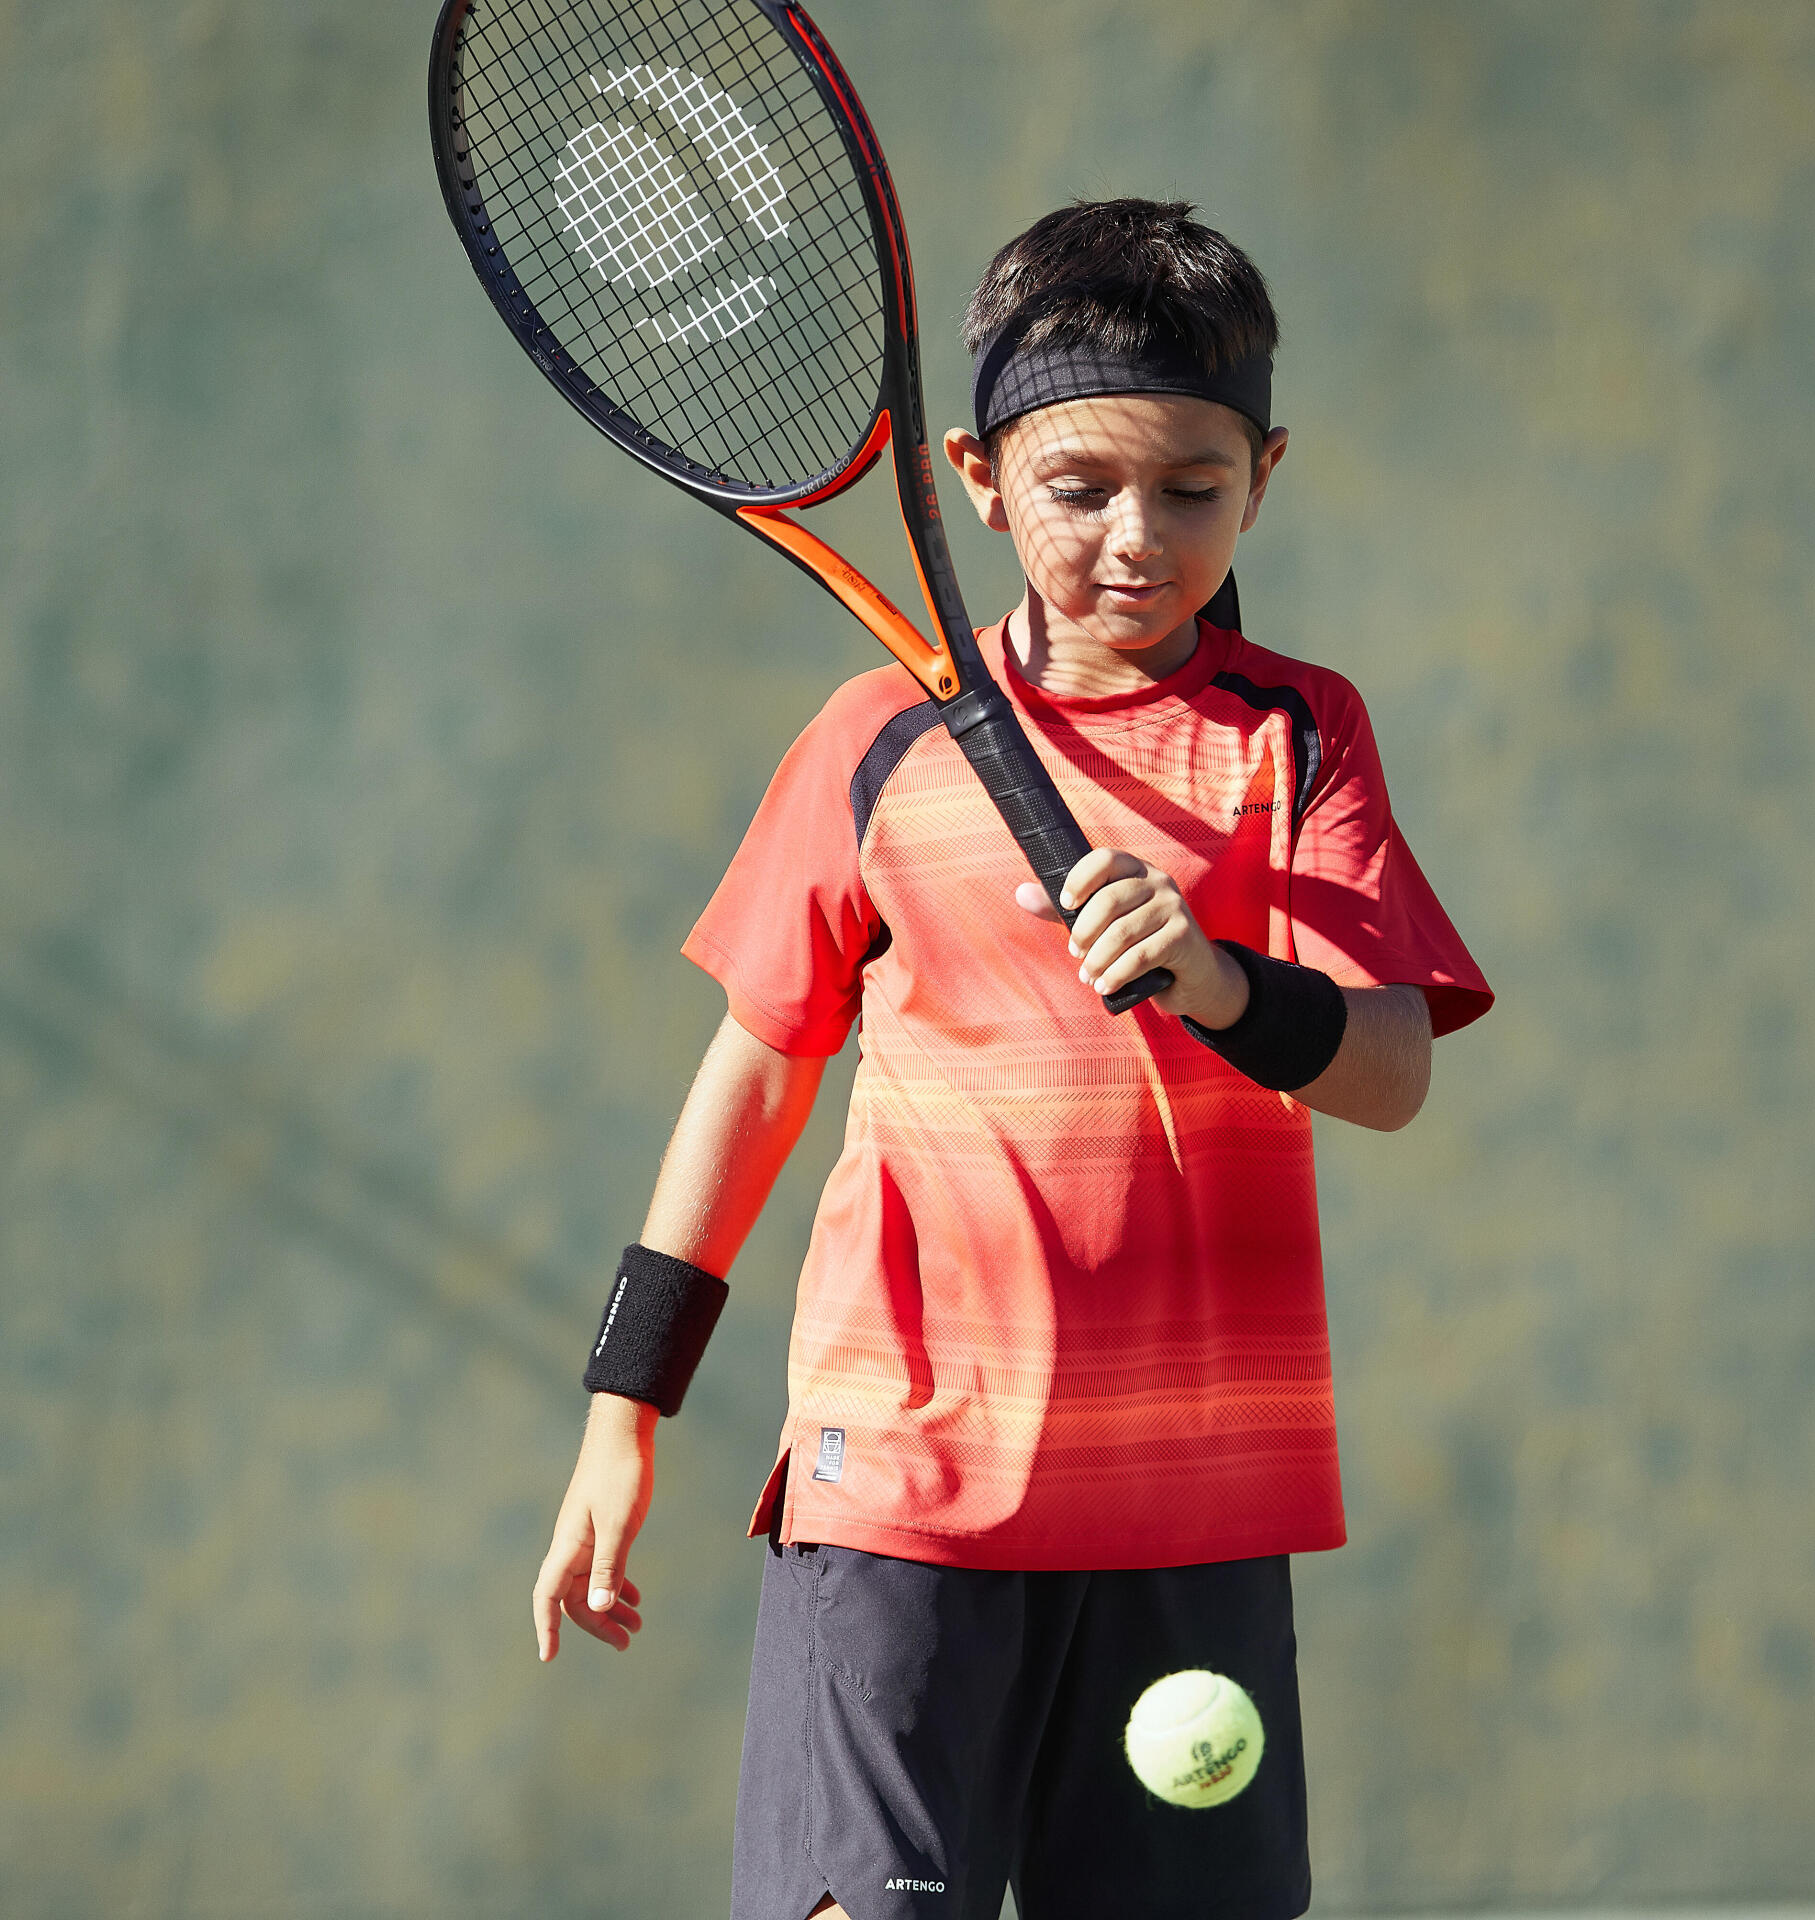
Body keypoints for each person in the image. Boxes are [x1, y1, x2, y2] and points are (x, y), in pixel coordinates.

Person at [531, 199, 1492, 1920]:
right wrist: (626, 1407)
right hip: (904, 1480)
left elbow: (1391, 1068)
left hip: (1195, 1497)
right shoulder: (874, 739)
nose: (1137, 536)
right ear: (978, 476)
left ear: (1263, 474)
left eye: (1191, 489)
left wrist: (1216, 983)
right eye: (1081, 489)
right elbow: (753, 1080)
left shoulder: (1303, 732)